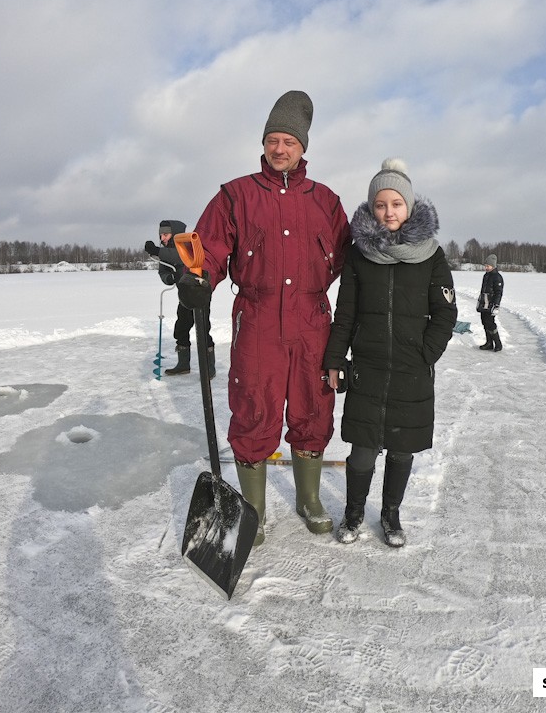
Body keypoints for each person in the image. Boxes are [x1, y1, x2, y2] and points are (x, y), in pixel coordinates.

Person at [177, 90, 350, 546]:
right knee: (254, 410)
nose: (280, 149)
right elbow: (209, 249)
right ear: (264, 144)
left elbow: (354, 260)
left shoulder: (327, 202)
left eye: (289, 141)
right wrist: (198, 276)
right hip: (257, 321)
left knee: (314, 408)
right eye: (273, 139)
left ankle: (308, 498)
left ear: (303, 147)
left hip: (313, 322)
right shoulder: (235, 195)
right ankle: (253, 507)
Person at [322, 158, 457, 547]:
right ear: (372, 207)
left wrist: (426, 353)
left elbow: (446, 311)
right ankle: (352, 514)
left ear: (409, 207)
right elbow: (345, 312)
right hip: (369, 368)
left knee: (401, 451)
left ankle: (391, 515)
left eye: (396, 203)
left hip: (412, 371)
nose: (389, 212)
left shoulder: (431, 254)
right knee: (362, 454)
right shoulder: (359, 254)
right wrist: (335, 358)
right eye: (381, 204)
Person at [145, 220, 215, 378]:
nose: (163, 238)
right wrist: (167, 278)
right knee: (181, 329)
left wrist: (157, 250)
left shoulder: (186, 244)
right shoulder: (164, 250)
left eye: (166, 234)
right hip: (184, 295)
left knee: (203, 329)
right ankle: (183, 365)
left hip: (199, 292)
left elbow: (179, 257)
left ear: (174, 234)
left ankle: (209, 368)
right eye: (161, 235)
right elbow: (163, 269)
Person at [477, 254, 504, 352]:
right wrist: (480, 302)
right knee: (484, 322)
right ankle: (489, 343)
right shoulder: (486, 276)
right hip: (484, 303)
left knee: (490, 324)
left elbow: (498, 293)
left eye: (488, 266)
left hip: (491, 304)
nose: (486, 267)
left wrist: (496, 305)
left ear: (493, 266)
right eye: (485, 266)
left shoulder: (497, 277)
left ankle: (498, 343)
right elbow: (483, 290)